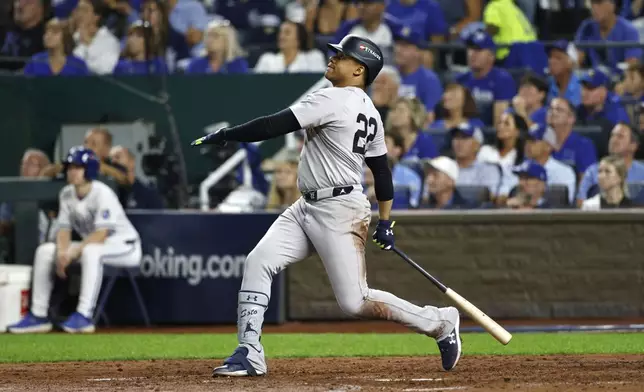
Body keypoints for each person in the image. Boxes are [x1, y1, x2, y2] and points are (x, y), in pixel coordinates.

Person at [191, 34, 461, 376]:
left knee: (355, 302)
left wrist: (228, 134)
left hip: (340, 210)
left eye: (341, 56)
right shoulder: (371, 112)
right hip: (308, 206)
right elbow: (381, 172)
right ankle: (249, 351)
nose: (332, 59)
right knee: (258, 261)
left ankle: (439, 322)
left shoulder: (333, 98)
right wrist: (386, 221)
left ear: (359, 70)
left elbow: (275, 125)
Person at [6, 146, 142, 334]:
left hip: (125, 246)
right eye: (70, 167)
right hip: (95, 246)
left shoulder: (102, 193)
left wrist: (72, 253)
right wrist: (62, 253)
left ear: (90, 170)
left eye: (77, 167)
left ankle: (84, 315)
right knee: (46, 251)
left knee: (90, 251)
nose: (72, 171)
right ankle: (38, 315)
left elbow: (101, 235)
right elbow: (64, 229)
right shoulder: (67, 193)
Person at [456, 30, 516, 126]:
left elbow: (500, 122)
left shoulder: (502, 80)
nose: (472, 54)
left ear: (491, 56)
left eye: (478, 50)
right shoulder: (460, 80)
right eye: (470, 48)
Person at [577, 123, 644, 205]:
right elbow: (580, 202)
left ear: (633, 145)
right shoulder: (592, 171)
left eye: (620, 136)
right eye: (612, 135)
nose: (614, 140)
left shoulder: (642, 172)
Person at [516, 123, 577, 204]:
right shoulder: (520, 169)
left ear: (548, 146)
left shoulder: (564, 172)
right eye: (526, 141)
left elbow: (563, 203)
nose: (528, 145)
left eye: (533, 141)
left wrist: (530, 202)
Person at [577, 68, 630, 157]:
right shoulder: (577, 111)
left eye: (590, 88)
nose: (584, 93)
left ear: (604, 91)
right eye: (583, 87)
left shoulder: (616, 114)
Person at [575, 0, 642, 70]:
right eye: (592, 4)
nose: (594, 8)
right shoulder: (587, 28)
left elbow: (632, 66)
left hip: (621, 78)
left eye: (599, 3)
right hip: (594, 78)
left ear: (612, 5)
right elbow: (578, 63)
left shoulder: (629, 30)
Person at [394, 26, 443, 121]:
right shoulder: (389, 75)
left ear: (418, 52)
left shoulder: (429, 80)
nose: (398, 50)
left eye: (405, 46)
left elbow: (430, 117)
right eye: (397, 44)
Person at [385, 0, 449, 68]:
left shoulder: (430, 6)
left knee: (427, 57)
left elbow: (437, 44)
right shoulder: (386, 4)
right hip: (390, 50)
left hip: (418, 51)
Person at [547, 98, 598, 177]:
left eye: (559, 110)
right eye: (550, 109)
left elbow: (587, 179)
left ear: (571, 118)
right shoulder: (540, 142)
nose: (553, 112)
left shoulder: (583, 145)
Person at [386, 97, 438, 173]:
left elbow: (431, 168)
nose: (395, 114)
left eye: (401, 110)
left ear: (413, 115)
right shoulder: (386, 139)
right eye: (393, 110)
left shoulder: (424, 141)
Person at [450, 122, 502, 198]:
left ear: (477, 145)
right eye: (456, 137)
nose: (459, 142)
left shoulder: (488, 170)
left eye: (465, 138)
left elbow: (491, 197)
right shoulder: (444, 168)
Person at [24, 18, 89, 76]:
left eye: (54, 32)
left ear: (65, 37)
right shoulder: (35, 61)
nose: (48, 36)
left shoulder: (78, 65)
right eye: (46, 32)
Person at [254, 20, 326, 73]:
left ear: (298, 39)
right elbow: (255, 85)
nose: (281, 36)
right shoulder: (267, 60)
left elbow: (323, 84)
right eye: (280, 32)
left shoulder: (313, 57)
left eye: (287, 33)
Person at [71, 0, 121, 74]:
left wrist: (87, 44)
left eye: (84, 10)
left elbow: (105, 69)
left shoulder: (110, 41)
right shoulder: (73, 37)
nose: (80, 14)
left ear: (96, 17)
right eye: (78, 10)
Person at [0, 0, 47, 71]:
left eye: (27, 2)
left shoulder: (46, 36)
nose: (20, 6)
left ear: (40, 9)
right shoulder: (3, 30)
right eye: (18, 1)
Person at [478, 111, 527, 179]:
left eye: (506, 123)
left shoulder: (522, 156)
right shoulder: (485, 150)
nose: (500, 126)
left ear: (517, 131)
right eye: (499, 123)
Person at [384, 132, 422, 208]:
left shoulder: (411, 177)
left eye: (384, 142)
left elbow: (413, 207)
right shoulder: (364, 173)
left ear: (397, 150)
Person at [547, 40, 582, 107]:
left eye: (558, 58)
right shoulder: (548, 83)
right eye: (550, 57)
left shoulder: (581, 86)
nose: (551, 61)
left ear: (570, 63)